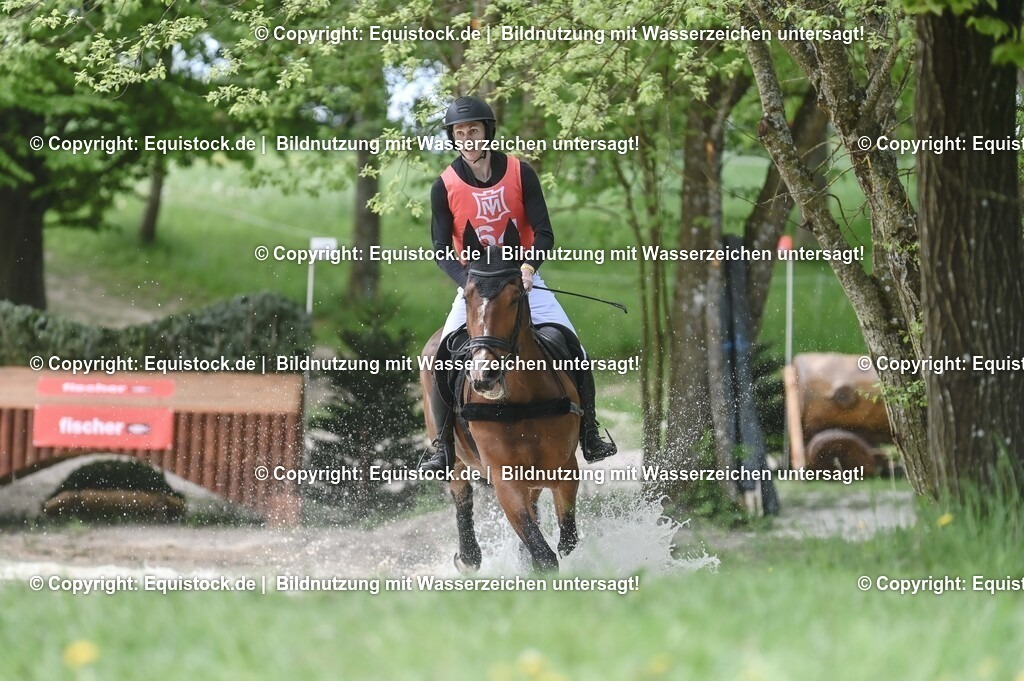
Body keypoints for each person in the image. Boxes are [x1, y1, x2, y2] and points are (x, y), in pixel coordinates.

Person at [418, 95, 617, 473]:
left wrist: (528, 267)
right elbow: (442, 250)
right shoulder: (442, 186)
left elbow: (543, 232)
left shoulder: (520, 173)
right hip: (476, 286)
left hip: (522, 279)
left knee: (574, 347)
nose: (467, 139)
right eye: (460, 133)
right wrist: (468, 283)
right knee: (442, 355)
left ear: (487, 132)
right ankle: (443, 448)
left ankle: (589, 433)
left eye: (473, 131)